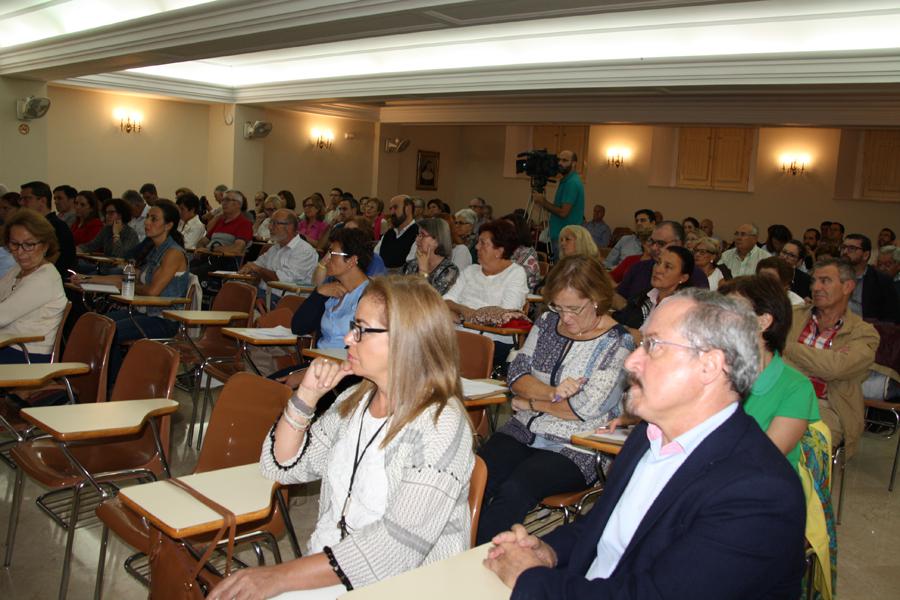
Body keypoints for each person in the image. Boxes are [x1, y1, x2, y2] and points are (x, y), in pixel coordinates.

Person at [484, 289, 807, 599]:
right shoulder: (648, 434)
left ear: (709, 366)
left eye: (652, 345)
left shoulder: (757, 491)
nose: (631, 362)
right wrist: (548, 551)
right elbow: (600, 527)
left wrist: (529, 578)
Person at [212, 276, 474, 599]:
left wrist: (277, 577)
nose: (349, 338)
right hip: (332, 568)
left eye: (361, 329)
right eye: (353, 325)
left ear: (406, 341)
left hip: (397, 585)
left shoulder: (441, 426)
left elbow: (393, 550)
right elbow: (282, 466)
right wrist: (306, 397)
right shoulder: (355, 401)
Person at [476, 255, 632, 544]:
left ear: (597, 298)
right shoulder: (548, 323)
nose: (565, 318)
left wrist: (531, 402)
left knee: (516, 489)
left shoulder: (616, 342)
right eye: (558, 307)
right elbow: (516, 373)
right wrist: (553, 393)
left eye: (574, 309)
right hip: (524, 428)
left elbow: (584, 408)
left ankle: (478, 565)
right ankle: (453, 551)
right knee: (478, 473)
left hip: (577, 446)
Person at [76, 201, 190, 382]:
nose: (147, 223)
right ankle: (98, 379)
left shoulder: (173, 253)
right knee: (98, 324)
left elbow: (152, 292)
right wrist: (88, 279)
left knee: (109, 332)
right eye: (147, 218)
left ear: (168, 225)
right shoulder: (155, 250)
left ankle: (113, 384)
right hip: (143, 312)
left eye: (154, 219)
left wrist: (126, 287)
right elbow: (127, 278)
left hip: (163, 319)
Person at [719, 275, 819, 472]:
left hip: (760, 490)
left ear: (763, 322)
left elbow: (762, 458)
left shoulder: (795, 387)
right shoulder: (711, 371)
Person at [784, 257, 879, 457]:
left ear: (848, 287)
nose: (815, 287)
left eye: (825, 281)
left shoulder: (864, 333)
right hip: (780, 396)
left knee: (799, 453)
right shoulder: (791, 315)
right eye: (813, 281)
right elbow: (766, 354)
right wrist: (823, 361)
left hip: (826, 407)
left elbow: (835, 369)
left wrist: (787, 347)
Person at [444, 219, 528, 366]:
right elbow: (446, 301)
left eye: (483, 243)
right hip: (459, 334)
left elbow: (504, 316)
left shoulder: (515, 273)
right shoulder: (471, 271)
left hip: (493, 340)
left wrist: (462, 316)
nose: (476, 247)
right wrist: (464, 310)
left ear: (499, 251)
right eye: (478, 242)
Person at [0, 209, 67, 363]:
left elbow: (2, 316)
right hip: (9, 345)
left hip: (27, 354)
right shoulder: (19, 269)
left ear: (45, 245)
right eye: (14, 244)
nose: (20, 252)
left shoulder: (45, 278)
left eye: (29, 245)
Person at [240, 209, 318, 306]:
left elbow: (284, 281)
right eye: (270, 223)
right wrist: (249, 268)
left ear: (289, 227)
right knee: (233, 289)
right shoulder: (275, 248)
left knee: (239, 298)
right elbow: (257, 265)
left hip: (285, 301)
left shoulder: (304, 251)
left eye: (274, 223)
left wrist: (259, 270)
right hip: (264, 294)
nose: (269, 227)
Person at [616, 221, 708, 301]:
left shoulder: (695, 275)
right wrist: (630, 311)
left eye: (661, 243)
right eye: (652, 242)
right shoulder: (638, 268)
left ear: (679, 243)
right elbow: (618, 296)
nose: (654, 247)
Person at [613, 246, 694, 329]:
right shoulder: (643, 297)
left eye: (668, 267)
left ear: (683, 278)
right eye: (658, 262)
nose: (658, 270)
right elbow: (620, 319)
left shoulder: (684, 310)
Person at [530, 150, 584, 260]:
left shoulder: (572, 182)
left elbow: (564, 212)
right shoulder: (565, 180)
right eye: (559, 160)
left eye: (565, 160)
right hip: (559, 236)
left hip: (566, 239)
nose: (560, 163)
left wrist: (542, 202)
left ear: (574, 163)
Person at [20, 180, 77, 280]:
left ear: (42, 201)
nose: (22, 203)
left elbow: (51, 260)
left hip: (55, 280)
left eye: (27, 198)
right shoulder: (34, 225)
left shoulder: (56, 226)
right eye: (21, 199)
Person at [840, 233, 900, 323]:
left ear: (866, 255)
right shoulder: (834, 276)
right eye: (843, 247)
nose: (845, 252)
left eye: (851, 249)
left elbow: (891, 317)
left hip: (866, 331)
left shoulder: (881, 281)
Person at [402, 217, 459, 295]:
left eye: (422, 235)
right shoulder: (411, 265)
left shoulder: (449, 270)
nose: (417, 239)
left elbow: (431, 301)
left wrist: (423, 271)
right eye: (418, 235)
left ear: (437, 240)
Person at [375, 195, 418, 271]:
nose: (392, 212)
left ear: (408, 209)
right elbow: (375, 258)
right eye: (390, 209)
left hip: (403, 280)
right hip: (380, 278)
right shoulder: (388, 234)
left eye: (395, 207)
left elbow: (410, 266)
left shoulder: (419, 233)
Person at [505, 212, 540, 291]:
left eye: (508, 228)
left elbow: (520, 280)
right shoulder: (501, 248)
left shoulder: (528, 252)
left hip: (520, 294)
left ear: (519, 231)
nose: (503, 231)